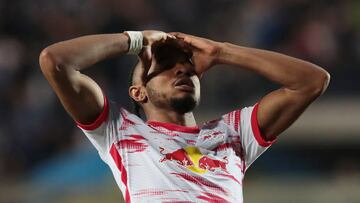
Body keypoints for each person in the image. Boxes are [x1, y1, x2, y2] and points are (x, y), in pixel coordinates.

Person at [39, 30, 330, 203]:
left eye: (188, 65)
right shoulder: (120, 132)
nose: (182, 70)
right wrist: (137, 40)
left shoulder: (233, 133)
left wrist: (221, 52)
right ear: (138, 93)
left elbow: (312, 81)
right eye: (164, 65)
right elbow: (55, 61)